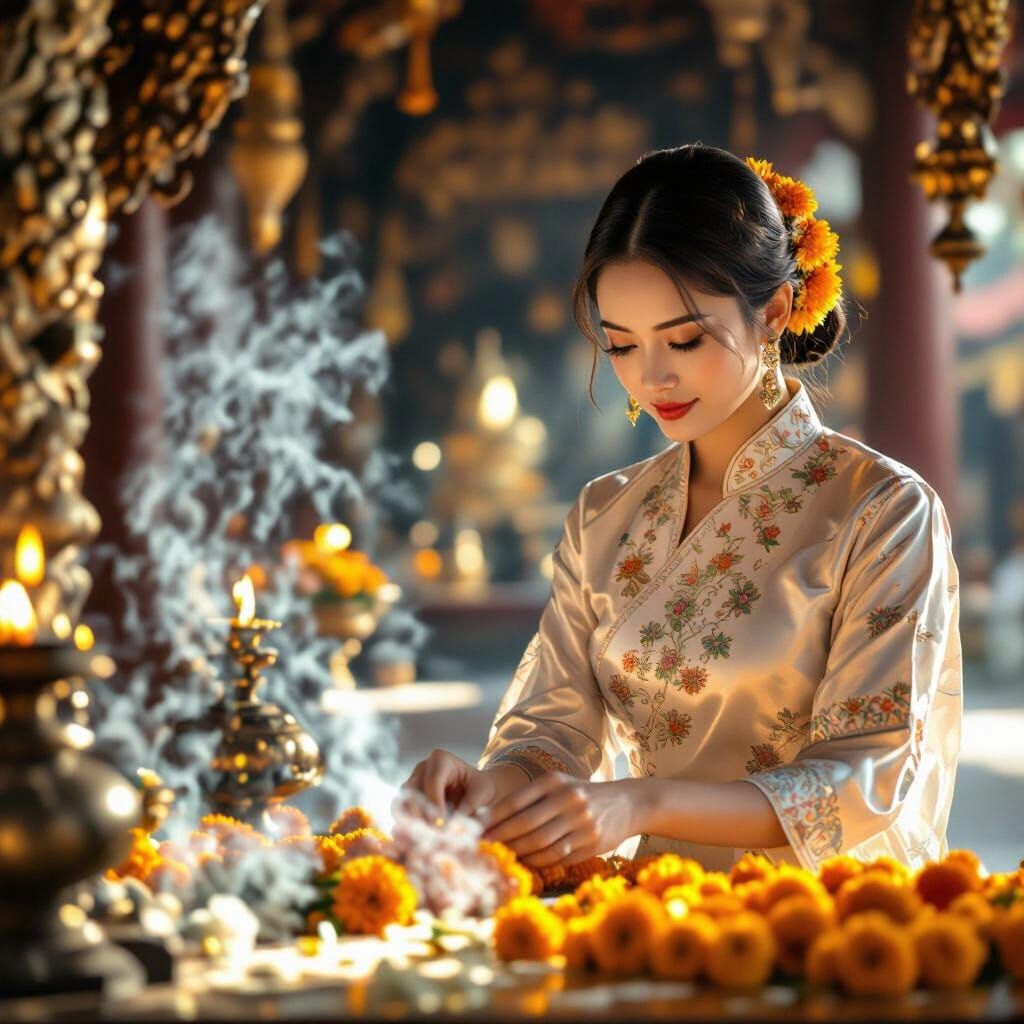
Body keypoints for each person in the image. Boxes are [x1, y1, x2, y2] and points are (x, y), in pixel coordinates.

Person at [403, 143, 962, 875]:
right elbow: (552, 732)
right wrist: (490, 788)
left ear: (776, 312)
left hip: (824, 922)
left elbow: (866, 775)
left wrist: (643, 803)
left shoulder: (882, 511)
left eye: (686, 338)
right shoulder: (606, 514)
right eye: (622, 345)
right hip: (650, 906)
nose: (651, 376)